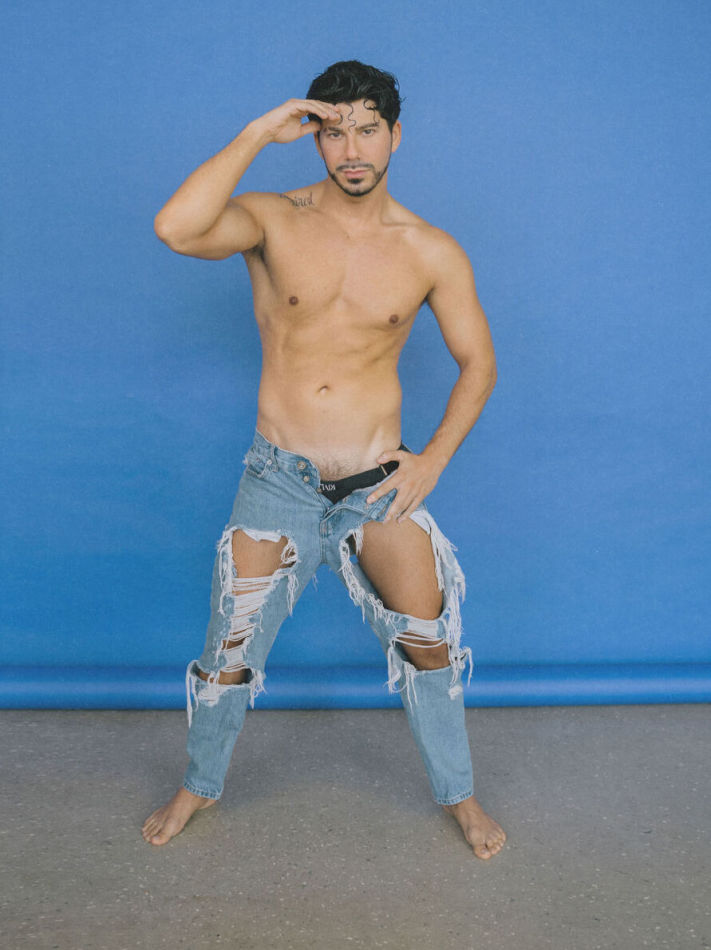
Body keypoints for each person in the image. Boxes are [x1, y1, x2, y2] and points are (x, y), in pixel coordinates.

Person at [142, 60, 506, 859]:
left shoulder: (429, 249)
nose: (351, 149)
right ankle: (198, 785)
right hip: (280, 478)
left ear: (394, 135)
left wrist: (432, 460)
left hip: (379, 483)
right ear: (313, 139)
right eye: (333, 131)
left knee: (427, 642)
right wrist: (254, 134)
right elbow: (175, 228)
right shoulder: (273, 220)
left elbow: (478, 363)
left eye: (367, 129)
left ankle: (460, 796)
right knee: (228, 650)